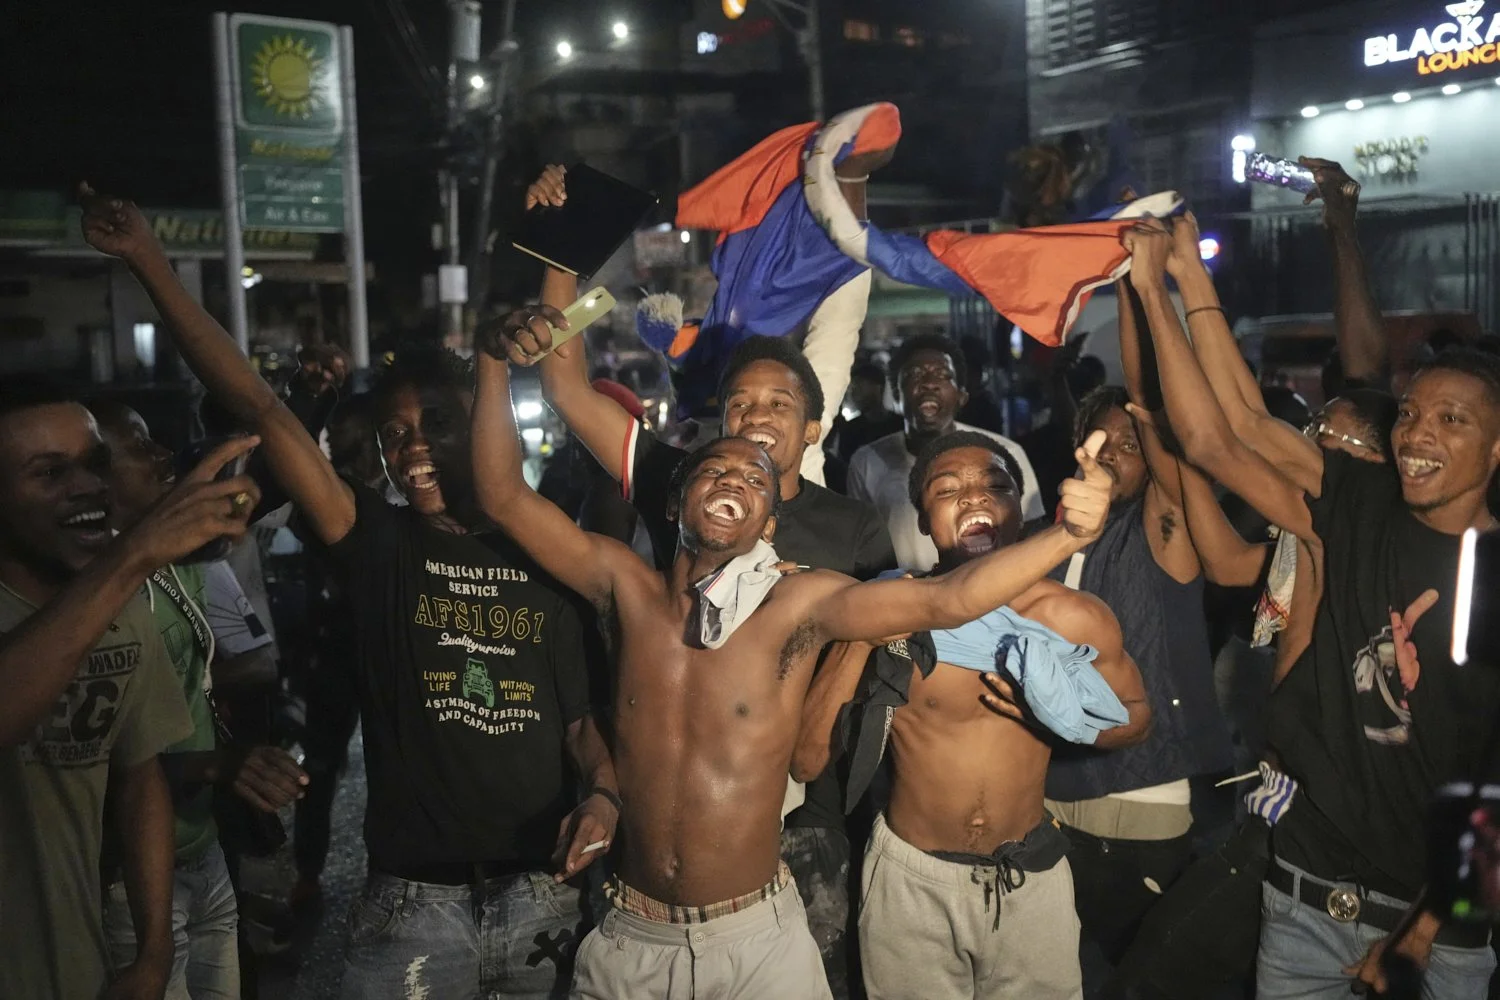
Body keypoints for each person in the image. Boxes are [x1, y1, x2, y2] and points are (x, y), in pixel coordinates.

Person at [81, 186, 618, 1000]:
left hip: (548, 895)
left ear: (482, 419)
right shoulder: (377, 542)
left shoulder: (552, 555)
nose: (413, 448)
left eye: (436, 421)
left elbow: (580, 722)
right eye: (395, 435)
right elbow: (259, 404)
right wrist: (152, 263)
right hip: (412, 908)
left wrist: (607, 796)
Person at [468, 335, 1117, 998]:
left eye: (755, 481)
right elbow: (503, 499)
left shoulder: (798, 603)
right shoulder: (624, 586)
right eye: (714, 471)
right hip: (630, 934)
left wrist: (1066, 534)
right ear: (674, 503)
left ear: (769, 527)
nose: (733, 482)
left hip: (755, 940)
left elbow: (942, 598)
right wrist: (490, 359)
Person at [507, 163, 897, 1000]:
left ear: (811, 427)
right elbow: (566, 384)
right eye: (741, 407)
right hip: (667, 825)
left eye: (778, 409)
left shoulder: (848, 524)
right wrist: (562, 249)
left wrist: (810, 755)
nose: (757, 420)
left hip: (802, 818)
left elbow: (864, 643)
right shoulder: (677, 480)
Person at [1126, 215, 1500, 998]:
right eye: (1409, 414)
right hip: (1302, 904)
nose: (1417, 435)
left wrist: (1417, 940)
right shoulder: (1361, 506)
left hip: (1435, 937)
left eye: (1451, 420)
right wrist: (1167, 285)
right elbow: (1226, 437)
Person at [794, 431, 1151, 999]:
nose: (973, 498)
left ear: (1020, 507)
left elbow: (1139, 719)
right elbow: (808, 760)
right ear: (921, 519)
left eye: (995, 485)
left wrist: (1058, 721)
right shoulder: (889, 608)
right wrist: (861, 642)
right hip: (912, 880)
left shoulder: (1072, 617)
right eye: (947, 488)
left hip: (1029, 875)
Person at [0, 381, 261, 1000]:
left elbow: (139, 772)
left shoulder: (119, 606)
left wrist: (152, 955)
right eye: (49, 472)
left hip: (81, 965)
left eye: (94, 464)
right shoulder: (116, 582)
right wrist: (134, 555)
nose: (89, 487)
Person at [1042, 275, 1267, 988]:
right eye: (1098, 440)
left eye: (1130, 445)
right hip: (1046, 805)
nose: (1111, 454)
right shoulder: (1043, 540)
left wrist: (1142, 289)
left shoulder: (1162, 530)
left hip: (1137, 811)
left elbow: (1163, 418)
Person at [89, 401, 311, 1000]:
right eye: (138, 446)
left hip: (201, 845)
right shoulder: (84, 598)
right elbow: (111, 764)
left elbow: (273, 486)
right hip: (132, 878)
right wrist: (220, 763)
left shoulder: (179, 565)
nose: (163, 454)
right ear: (95, 480)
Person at [848, 334, 1043, 570]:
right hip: (904, 599)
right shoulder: (867, 462)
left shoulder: (1004, 455)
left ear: (962, 395)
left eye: (943, 375)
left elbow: (1031, 536)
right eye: (915, 375)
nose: (929, 383)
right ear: (897, 395)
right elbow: (862, 548)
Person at [826, 360, 901, 467]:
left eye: (858, 387)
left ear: (878, 387)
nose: (853, 393)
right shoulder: (850, 429)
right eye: (851, 389)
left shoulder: (899, 425)